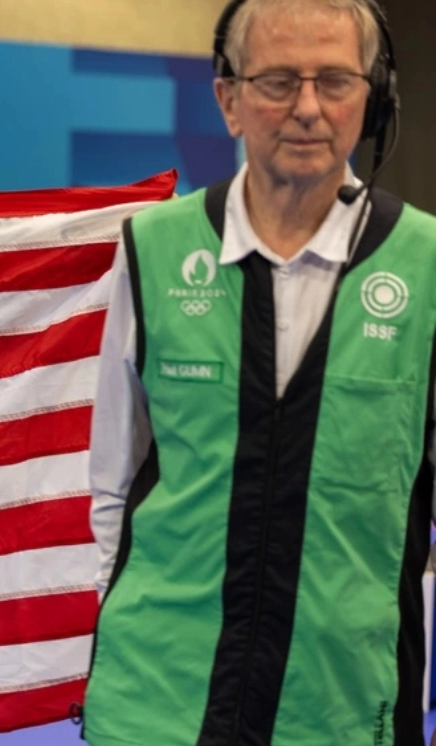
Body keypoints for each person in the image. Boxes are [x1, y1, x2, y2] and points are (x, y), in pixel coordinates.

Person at [82, 0, 435, 744]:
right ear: (229, 100)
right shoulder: (152, 247)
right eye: (277, 81)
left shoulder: (428, 266)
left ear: (372, 98)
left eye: (335, 80)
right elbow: (115, 480)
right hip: (157, 702)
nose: (308, 108)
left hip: (340, 704)